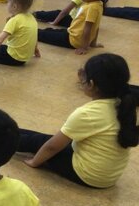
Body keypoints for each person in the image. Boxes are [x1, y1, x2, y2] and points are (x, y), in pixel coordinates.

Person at [17, 54, 138, 188]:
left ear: (91, 84)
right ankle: (9, 131)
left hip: (87, 174)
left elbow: (52, 147)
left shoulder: (87, 114)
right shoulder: (124, 104)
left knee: (39, 141)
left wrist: (34, 162)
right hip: (108, 175)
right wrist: (84, 79)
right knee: (42, 139)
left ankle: (1, 138)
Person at [37, 0, 109, 55]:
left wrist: (84, 48)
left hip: (73, 40)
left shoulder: (92, 8)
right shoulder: (98, 4)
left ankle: (30, 32)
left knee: (41, 34)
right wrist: (93, 43)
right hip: (72, 34)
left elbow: (87, 29)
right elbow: (96, 27)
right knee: (49, 31)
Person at [0, 0, 39, 66]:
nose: (6, 4)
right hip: (24, 58)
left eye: (7, 2)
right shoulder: (32, 17)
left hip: (13, 58)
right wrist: (36, 50)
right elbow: (34, 36)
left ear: (14, 6)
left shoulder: (15, 20)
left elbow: (0, 39)